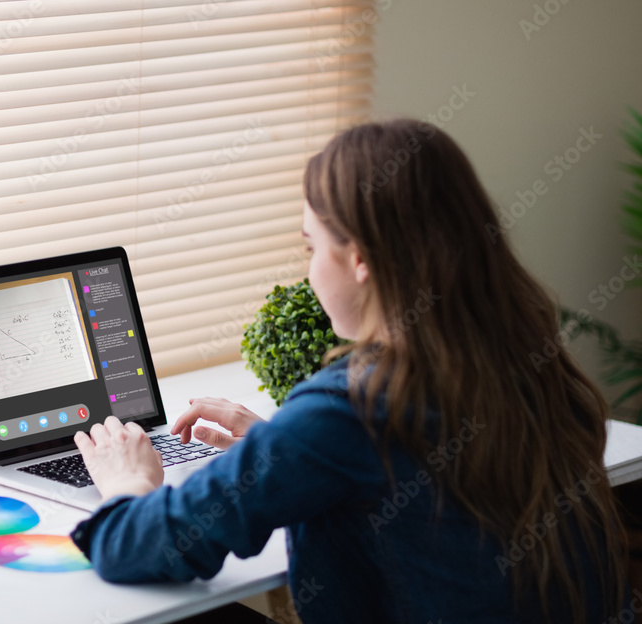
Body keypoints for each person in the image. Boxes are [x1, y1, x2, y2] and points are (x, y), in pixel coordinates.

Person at [69, 118, 629, 624]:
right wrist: (281, 447)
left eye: (312, 246)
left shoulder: (352, 408)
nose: (309, 269)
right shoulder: (531, 363)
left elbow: (137, 547)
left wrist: (127, 482)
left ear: (359, 259)